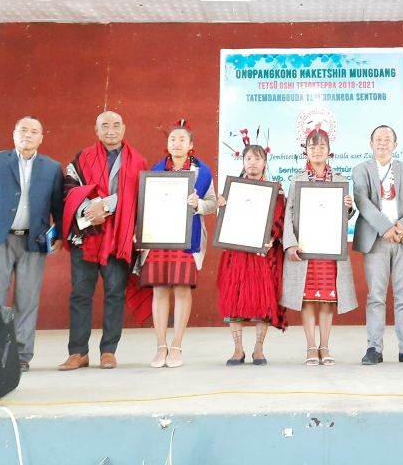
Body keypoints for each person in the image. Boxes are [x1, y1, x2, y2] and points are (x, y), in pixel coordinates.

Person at [0, 116, 64, 372]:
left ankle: (21, 355)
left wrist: (61, 235)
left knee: (28, 300)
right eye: (23, 130)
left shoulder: (52, 168)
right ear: (14, 134)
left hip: (34, 241)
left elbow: (58, 206)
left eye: (34, 131)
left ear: (42, 138)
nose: (28, 135)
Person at [58, 111, 147, 371]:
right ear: (96, 131)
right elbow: (69, 187)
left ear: (124, 128)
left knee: (114, 294)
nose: (111, 130)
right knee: (80, 294)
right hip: (86, 235)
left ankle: (108, 351)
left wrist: (106, 206)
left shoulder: (138, 161)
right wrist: (88, 209)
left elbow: (139, 196)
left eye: (116, 125)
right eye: (105, 126)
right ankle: (78, 352)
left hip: (118, 238)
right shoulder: (81, 158)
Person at [138, 120, 217, 368]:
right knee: (160, 289)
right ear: (167, 144)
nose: (177, 143)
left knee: (182, 290)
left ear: (191, 144)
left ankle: (177, 346)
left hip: (187, 239)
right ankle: (160, 346)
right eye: (173, 139)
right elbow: (146, 205)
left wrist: (199, 204)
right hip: (160, 238)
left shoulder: (202, 173)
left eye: (182, 139)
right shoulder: (156, 170)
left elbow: (213, 203)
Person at [353, 125, 403, 365]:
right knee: (376, 296)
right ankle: (374, 348)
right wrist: (384, 227)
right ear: (371, 143)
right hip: (376, 240)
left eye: (387, 139)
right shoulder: (360, 170)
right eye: (378, 139)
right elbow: (361, 201)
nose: (382, 143)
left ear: (395, 145)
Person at [281, 128, 357, 366]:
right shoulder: (297, 179)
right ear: (306, 150)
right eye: (312, 146)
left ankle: (325, 346)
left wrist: (348, 207)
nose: (317, 150)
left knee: (327, 299)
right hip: (305, 248)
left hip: (329, 251)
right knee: (307, 299)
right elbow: (289, 212)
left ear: (329, 151)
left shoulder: (341, 181)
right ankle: (310, 346)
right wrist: (290, 243)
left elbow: (345, 216)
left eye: (321, 146)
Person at [216, 138, 287, 366]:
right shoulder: (232, 190)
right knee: (234, 300)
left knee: (262, 301)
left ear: (265, 162)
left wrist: (272, 237)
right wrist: (223, 206)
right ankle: (238, 349)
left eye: (258, 158)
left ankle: (258, 349)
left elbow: (281, 219)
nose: (253, 163)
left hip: (262, 254)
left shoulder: (276, 191)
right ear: (243, 162)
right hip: (236, 254)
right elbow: (225, 223)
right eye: (248, 158)